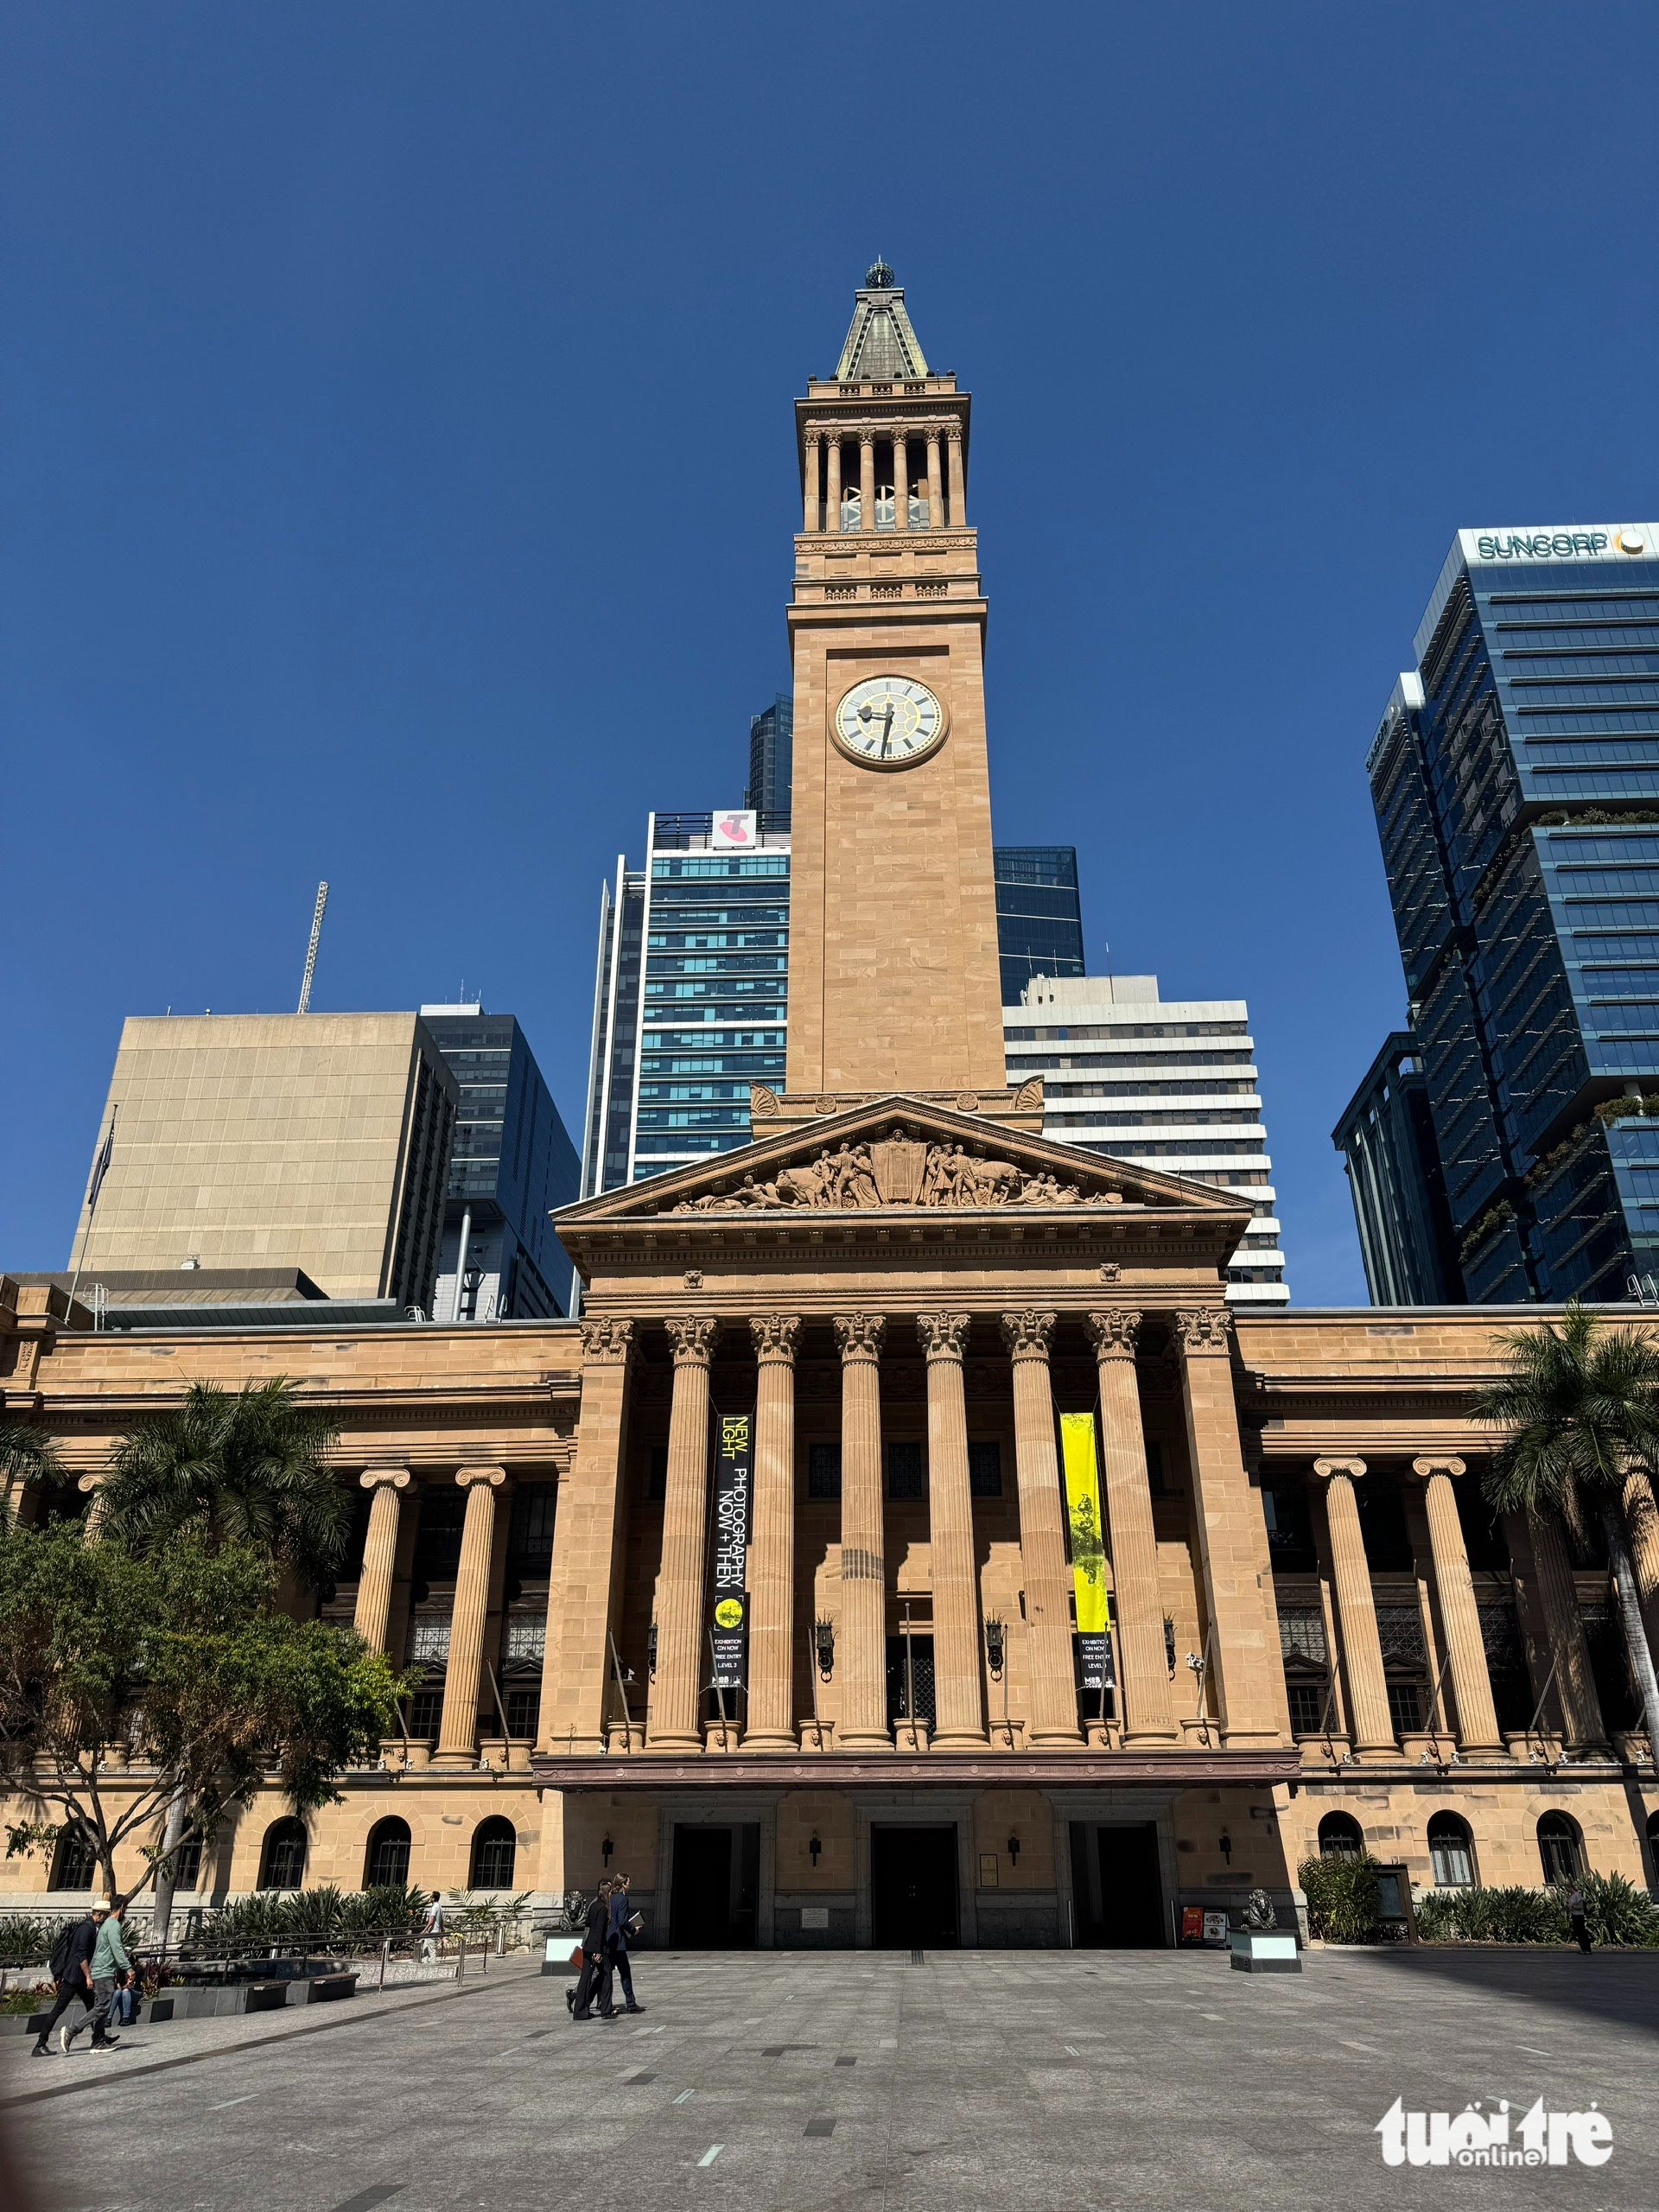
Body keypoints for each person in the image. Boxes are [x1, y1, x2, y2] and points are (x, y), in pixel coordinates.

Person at [30, 1902, 105, 2057]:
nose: (105, 1918)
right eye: (105, 1914)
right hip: (75, 1977)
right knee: (59, 2009)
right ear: (99, 1914)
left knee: (93, 2006)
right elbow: (81, 1955)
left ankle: (99, 2038)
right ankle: (40, 2044)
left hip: (77, 1977)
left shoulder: (89, 1926)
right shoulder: (87, 1928)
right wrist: (88, 1976)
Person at [67, 1900, 131, 2053]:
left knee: (103, 2007)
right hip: (103, 1972)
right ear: (122, 1908)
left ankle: (98, 2039)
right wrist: (128, 1968)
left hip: (101, 1971)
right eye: (126, 1909)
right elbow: (117, 1949)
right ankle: (72, 2030)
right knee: (102, 2007)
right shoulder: (113, 1925)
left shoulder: (106, 1924)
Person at [569, 1879, 615, 2020]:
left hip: (588, 1946)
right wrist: (598, 1951)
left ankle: (580, 2011)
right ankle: (606, 2010)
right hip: (597, 1947)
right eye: (611, 1892)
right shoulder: (603, 1909)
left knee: (585, 1979)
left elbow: (589, 1925)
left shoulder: (594, 1905)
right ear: (608, 1893)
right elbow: (599, 1931)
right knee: (607, 1976)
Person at [607, 1873, 645, 2015]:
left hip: (609, 1939)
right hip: (618, 1941)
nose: (630, 1884)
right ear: (623, 1884)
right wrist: (633, 1929)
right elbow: (622, 1921)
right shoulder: (623, 1899)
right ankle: (631, 2003)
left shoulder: (610, 1897)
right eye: (628, 1882)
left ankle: (603, 2002)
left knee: (604, 1973)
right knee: (625, 1973)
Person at [419, 1891, 446, 1963]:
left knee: (432, 1951)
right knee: (426, 1948)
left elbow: (431, 1921)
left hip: (433, 1931)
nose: (430, 1898)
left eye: (431, 1897)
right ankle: (425, 1964)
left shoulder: (434, 1907)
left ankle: (433, 1966)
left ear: (433, 1898)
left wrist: (424, 1930)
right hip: (434, 1931)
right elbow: (441, 1921)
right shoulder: (440, 1907)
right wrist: (442, 1932)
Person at [1567, 1883, 1592, 1953]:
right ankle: (1583, 1948)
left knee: (1582, 1932)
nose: (1567, 1890)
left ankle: (1587, 1949)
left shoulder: (1577, 1895)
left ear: (1571, 1888)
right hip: (1574, 1915)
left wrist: (1572, 1907)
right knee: (1578, 1932)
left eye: (1567, 1888)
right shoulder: (1571, 1896)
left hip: (1579, 1915)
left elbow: (1581, 1907)